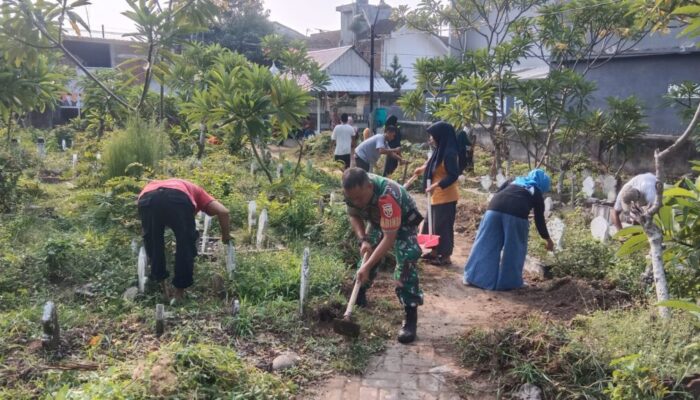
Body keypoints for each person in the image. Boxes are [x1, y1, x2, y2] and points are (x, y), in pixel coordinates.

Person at [343, 168, 424, 343]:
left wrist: (368, 265)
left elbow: (388, 239)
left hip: (403, 222)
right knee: (367, 255)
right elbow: (354, 215)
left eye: (360, 198)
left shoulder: (387, 197)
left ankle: (410, 317)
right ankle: (360, 295)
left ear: (370, 187)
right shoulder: (351, 191)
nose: (356, 202)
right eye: (353, 199)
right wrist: (363, 239)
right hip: (377, 219)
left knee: (407, 260)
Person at [138, 179, 231, 301]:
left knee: (154, 244)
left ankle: (164, 291)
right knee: (185, 244)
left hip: (147, 198)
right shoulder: (198, 191)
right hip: (177, 198)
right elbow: (223, 211)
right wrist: (226, 237)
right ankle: (179, 294)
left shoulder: (157, 184)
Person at [463, 169, 554, 291]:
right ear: (542, 184)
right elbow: (539, 219)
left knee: (485, 244)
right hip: (516, 216)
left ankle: (473, 278)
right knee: (514, 249)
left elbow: (497, 193)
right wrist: (547, 239)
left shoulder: (513, 181)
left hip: (493, 210)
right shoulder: (536, 192)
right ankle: (510, 283)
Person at [413, 121, 460, 266]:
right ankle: (434, 252)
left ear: (441, 136)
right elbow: (432, 163)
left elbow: (453, 175)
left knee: (443, 226)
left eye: (433, 136)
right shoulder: (440, 150)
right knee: (431, 224)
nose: (431, 139)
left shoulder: (450, 153)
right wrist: (421, 169)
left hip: (445, 196)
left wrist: (436, 184)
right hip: (435, 195)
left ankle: (445, 256)